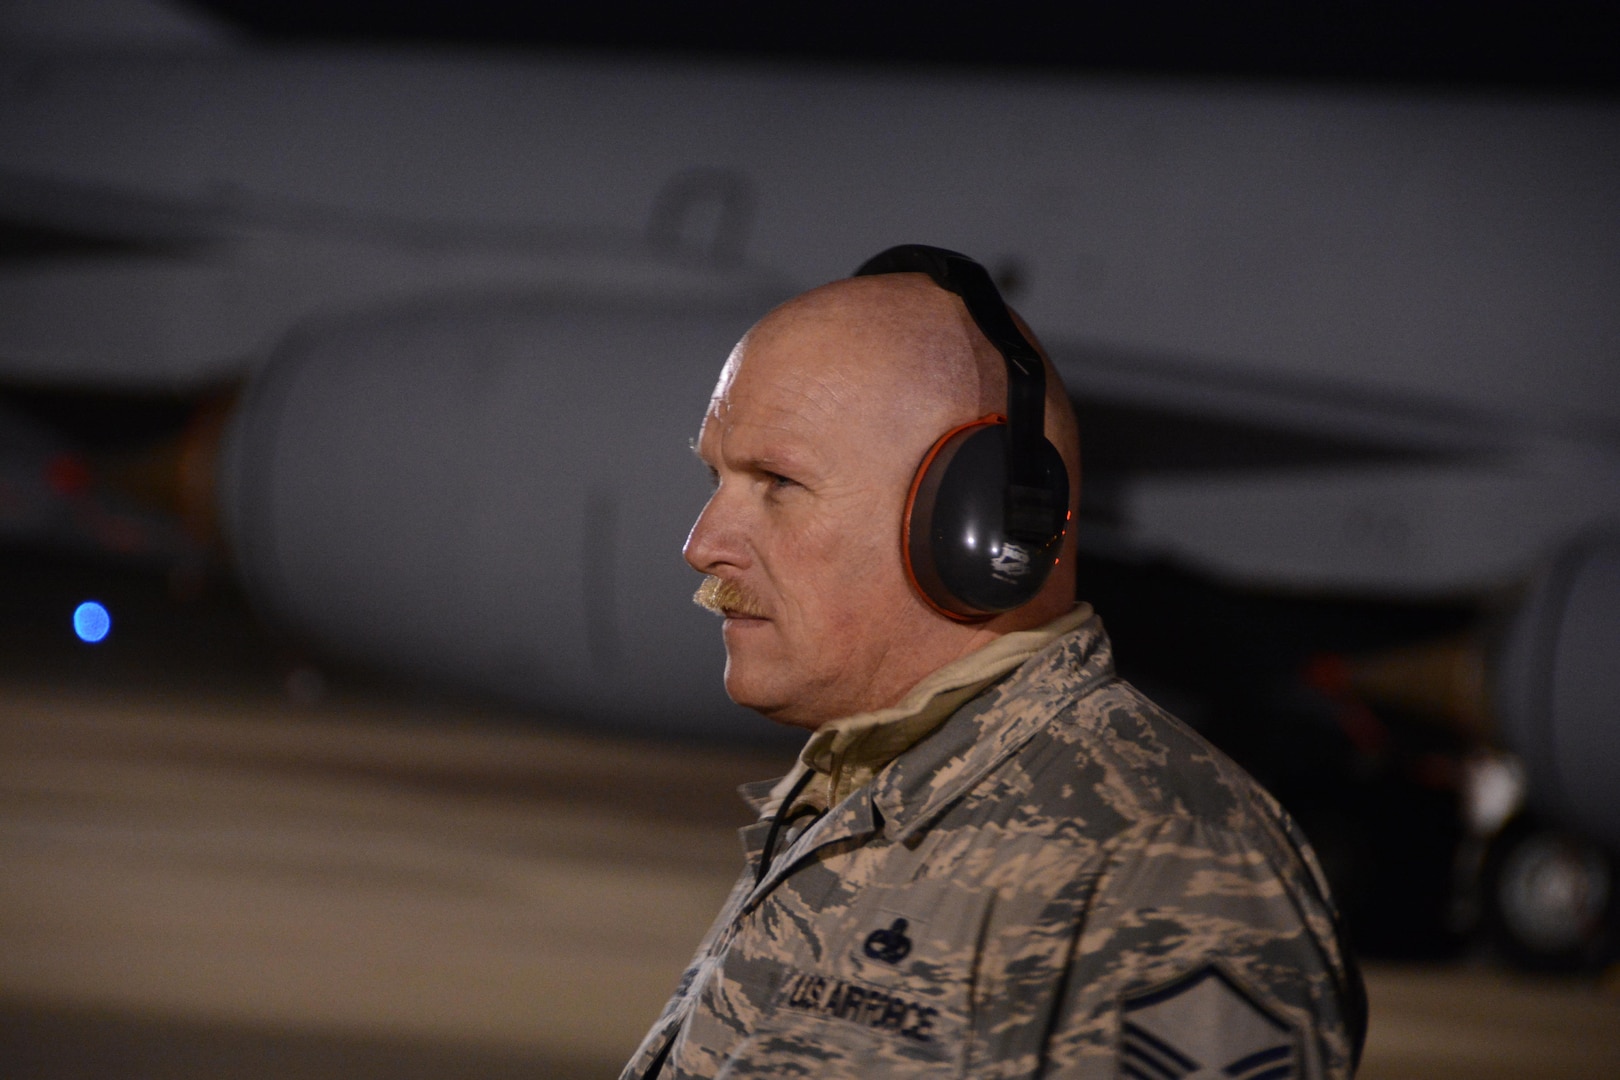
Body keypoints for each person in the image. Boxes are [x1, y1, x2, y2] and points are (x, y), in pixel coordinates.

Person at [619, 246, 1366, 1079]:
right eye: (717, 477)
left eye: (778, 483)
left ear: (976, 523)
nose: (701, 546)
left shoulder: (1160, 866)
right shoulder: (857, 797)